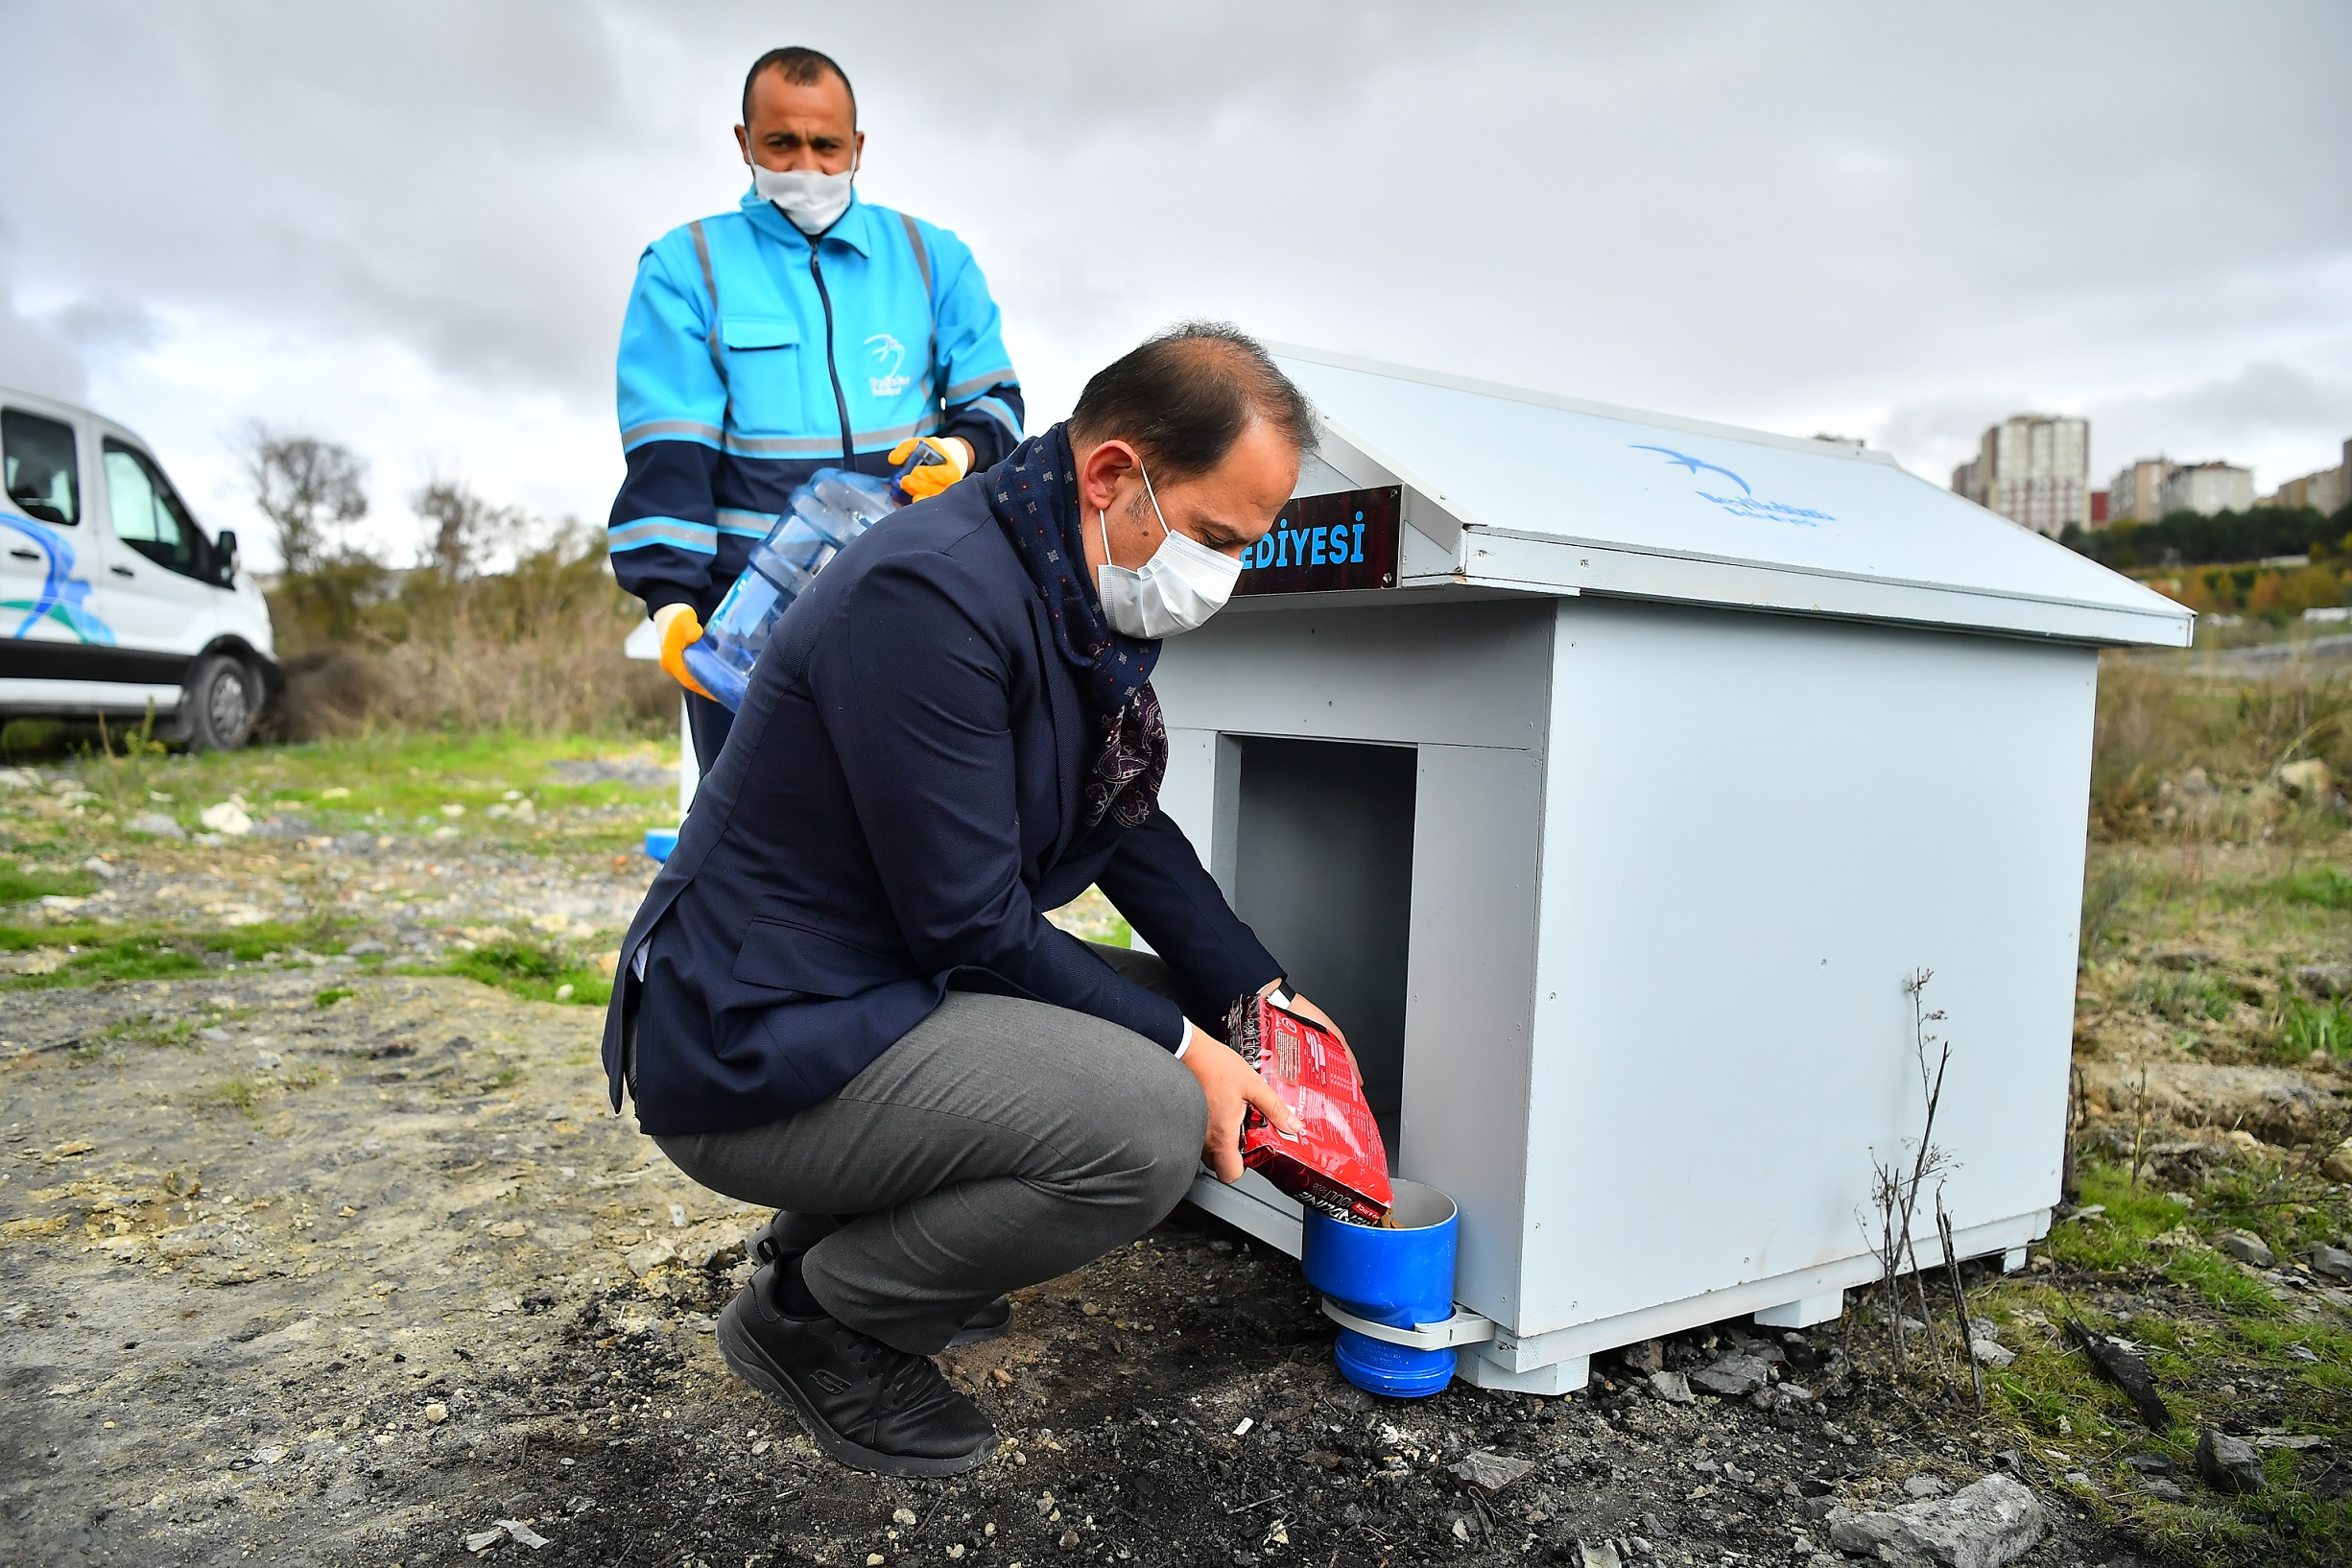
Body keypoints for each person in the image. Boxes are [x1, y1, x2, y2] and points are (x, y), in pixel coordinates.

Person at [602, 323, 1348, 1478]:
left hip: (867, 989)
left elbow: (1119, 819)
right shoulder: (930, 594)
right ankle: (821, 1319)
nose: (1223, 576)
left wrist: (1256, 992)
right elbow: (971, 921)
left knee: (1184, 1016)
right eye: (1215, 537)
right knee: (1147, 1120)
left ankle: (846, 1237)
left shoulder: (1056, 583)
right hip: (754, 1032)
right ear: (1113, 473)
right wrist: (1189, 1049)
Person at [606, 45, 1024, 769]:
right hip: (749, 613)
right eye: (782, 143)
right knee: (754, 820)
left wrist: (958, 453)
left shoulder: (932, 258)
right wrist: (671, 600)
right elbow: (668, 450)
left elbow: (996, 402)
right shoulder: (686, 266)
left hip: (910, 591)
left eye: (827, 146)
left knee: (912, 806)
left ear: (857, 146)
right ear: (745, 142)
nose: (807, 165)